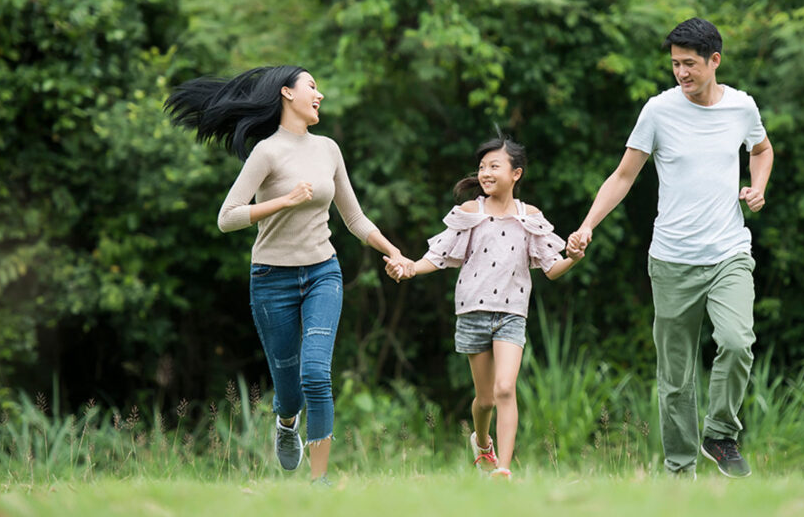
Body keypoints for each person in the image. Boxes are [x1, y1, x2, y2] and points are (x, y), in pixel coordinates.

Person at [165, 65, 407, 485]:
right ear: (286, 94)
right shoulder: (267, 153)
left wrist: (393, 251)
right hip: (271, 279)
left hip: (322, 273)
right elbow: (228, 217)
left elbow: (353, 218)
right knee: (290, 390)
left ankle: (320, 480)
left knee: (316, 372)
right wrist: (285, 201)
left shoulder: (329, 149)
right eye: (312, 86)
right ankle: (286, 421)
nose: (320, 94)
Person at [567, 18, 774, 479]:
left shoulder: (741, 107)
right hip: (672, 260)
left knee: (738, 342)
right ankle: (680, 473)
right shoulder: (658, 111)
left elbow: (761, 150)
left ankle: (720, 433)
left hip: (728, 253)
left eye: (690, 64)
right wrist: (587, 225)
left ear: (714, 61)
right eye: (675, 64)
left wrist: (757, 186)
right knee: (676, 379)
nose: (681, 72)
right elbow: (623, 176)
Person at [385, 138, 584, 480]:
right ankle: (482, 440)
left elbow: (551, 268)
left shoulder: (529, 217)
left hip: (511, 314)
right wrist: (408, 268)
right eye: (482, 167)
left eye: (494, 166)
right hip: (472, 311)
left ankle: (503, 468)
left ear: (515, 173)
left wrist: (573, 258)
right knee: (486, 400)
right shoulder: (470, 213)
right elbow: (438, 256)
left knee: (506, 388)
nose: (485, 173)